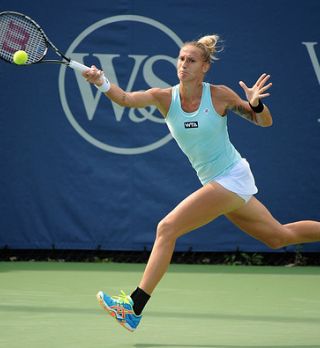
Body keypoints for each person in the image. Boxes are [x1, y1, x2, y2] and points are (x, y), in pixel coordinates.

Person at [83, 34, 320, 332]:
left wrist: (255, 105)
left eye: (191, 60)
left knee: (166, 228)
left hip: (231, 177)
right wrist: (100, 81)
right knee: (278, 237)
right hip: (218, 180)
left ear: (205, 67)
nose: (183, 64)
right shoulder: (164, 97)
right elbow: (126, 98)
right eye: (181, 59)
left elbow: (264, 122)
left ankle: (134, 307)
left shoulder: (219, 95)